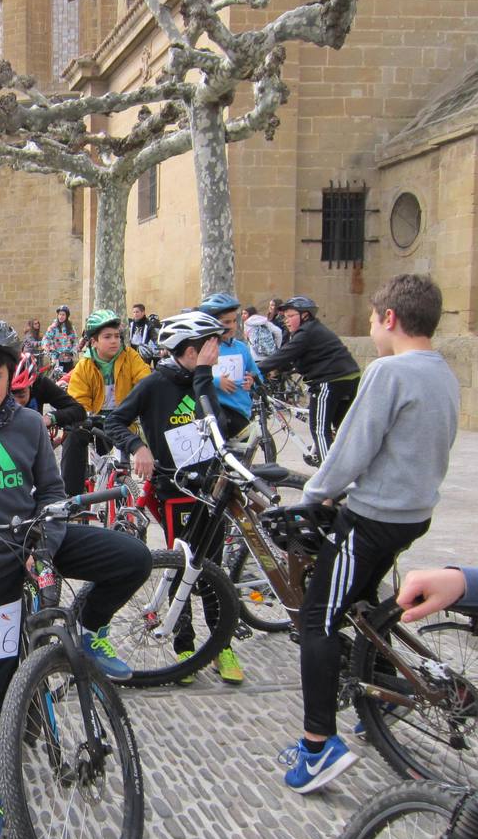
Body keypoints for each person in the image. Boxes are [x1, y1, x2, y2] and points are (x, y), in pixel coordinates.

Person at [0, 315, 152, 839]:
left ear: (9, 376)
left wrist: (44, 541)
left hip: (37, 540)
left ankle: (87, 628)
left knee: (133, 558)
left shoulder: (28, 425)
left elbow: (50, 489)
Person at [280, 273, 458, 794]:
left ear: (390, 319)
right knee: (362, 604)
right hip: (413, 511)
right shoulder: (442, 371)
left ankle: (317, 746)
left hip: (375, 516)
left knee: (318, 618)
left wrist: (313, 494)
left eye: (374, 319)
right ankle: (377, 694)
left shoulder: (388, 372)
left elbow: (352, 448)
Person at [105, 310, 247, 684]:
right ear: (188, 350)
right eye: (208, 345)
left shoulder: (204, 381)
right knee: (181, 564)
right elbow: (114, 420)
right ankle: (184, 644)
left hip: (209, 487)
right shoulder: (154, 385)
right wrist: (138, 446)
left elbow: (216, 422)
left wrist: (208, 376)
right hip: (175, 490)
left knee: (212, 566)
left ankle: (221, 645)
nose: (217, 349)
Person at [257, 296, 360, 467]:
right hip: (348, 378)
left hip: (329, 380)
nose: (286, 321)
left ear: (304, 316)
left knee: (320, 429)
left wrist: (256, 370)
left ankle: (329, 477)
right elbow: (293, 359)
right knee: (343, 429)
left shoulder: (306, 332)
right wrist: (276, 370)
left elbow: (285, 355)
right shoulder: (312, 331)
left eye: (290, 316)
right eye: (284, 317)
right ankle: (353, 467)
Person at [63, 309, 151, 495]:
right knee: (73, 436)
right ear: (94, 342)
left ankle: (122, 510)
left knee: (121, 464)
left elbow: (146, 382)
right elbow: (78, 401)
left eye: (117, 336)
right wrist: (84, 417)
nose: (114, 341)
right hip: (94, 420)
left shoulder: (130, 357)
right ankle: (71, 496)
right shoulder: (84, 367)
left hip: (122, 420)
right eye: (107, 337)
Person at [197, 294, 263, 438]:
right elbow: (194, 376)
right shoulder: (205, 349)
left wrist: (252, 381)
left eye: (234, 321)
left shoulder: (241, 348)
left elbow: (257, 375)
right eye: (226, 322)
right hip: (219, 413)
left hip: (242, 411)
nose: (232, 326)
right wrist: (216, 381)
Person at [10, 351, 86, 432]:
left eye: (21, 396)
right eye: (9, 397)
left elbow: (78, 410)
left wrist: (51, 418)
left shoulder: (40, 384)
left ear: (31, 385)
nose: (16, 404)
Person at [42, 304, 79, 374]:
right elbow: (46, 338)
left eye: (63, 315)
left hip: (68, 359)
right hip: (56, 358)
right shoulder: (53, 327)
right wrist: (48, 348)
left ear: (67, 316)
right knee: (56, 379)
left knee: (67, 379)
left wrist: (73, 351)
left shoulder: (71, 328)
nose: (61, 316)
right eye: (59, 314)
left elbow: (75, 341)